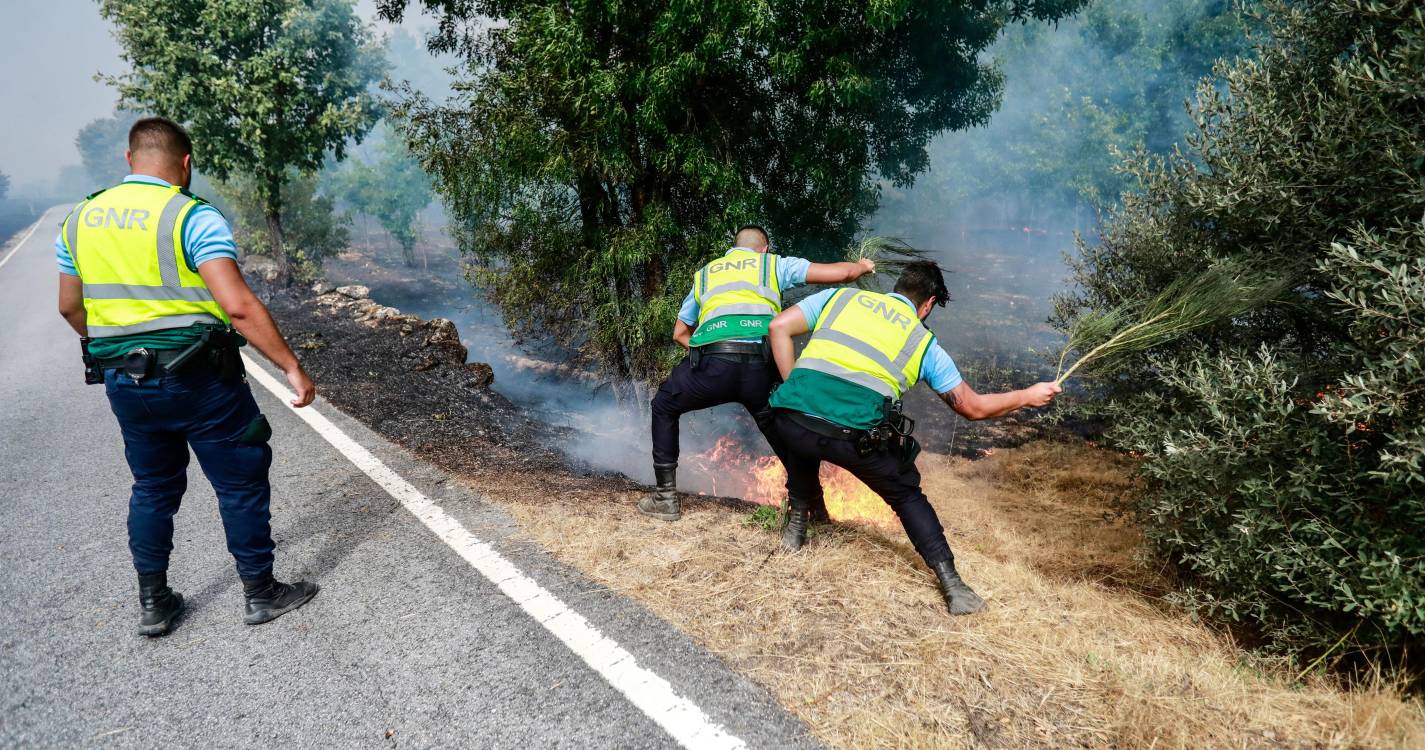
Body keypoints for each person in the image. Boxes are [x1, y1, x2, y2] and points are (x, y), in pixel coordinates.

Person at [55, 117, 320, 636]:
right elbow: (237, 307)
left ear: (129, 161)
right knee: (240, 480)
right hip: (200, 381)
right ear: (186, 164)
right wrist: (291, 366)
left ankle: (155, 603)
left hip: (125, 383)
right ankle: (261, 593)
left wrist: (118, 344)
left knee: (152, 486)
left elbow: (69, 307)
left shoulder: (78, 220)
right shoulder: (189, 215)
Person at [765, 261, 1061, 615]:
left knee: (805, 431)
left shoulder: (841, 298)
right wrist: (1028, 395)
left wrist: (794, 387)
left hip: (790, 419)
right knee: (906, 495)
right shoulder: (923, 342)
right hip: (852, 436)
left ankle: (796, 527)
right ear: (928, 304)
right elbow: (973, 407)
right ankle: (953, 585)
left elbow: (778, 325)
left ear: (898, 285)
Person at [639, 225, 877, 521]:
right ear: (764, 248)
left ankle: (665, 498)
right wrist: (862, 266)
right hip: (760, 368)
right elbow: (842, 274)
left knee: (664, 405)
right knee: (789, 431)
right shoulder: (773, 264)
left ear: (732, 248)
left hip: (713, 365)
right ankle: (813, 508)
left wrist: (705, 350)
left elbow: (679, 332)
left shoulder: (706, 274)